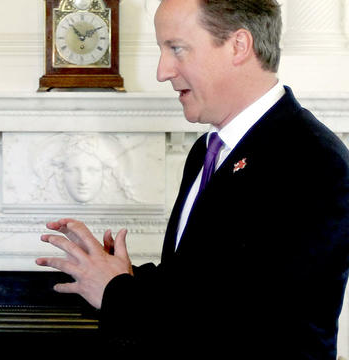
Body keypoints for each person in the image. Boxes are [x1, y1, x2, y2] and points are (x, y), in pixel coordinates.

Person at [37, 0, 349, 358]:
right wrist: (117, 273)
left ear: (238, 46)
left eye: (176, 49)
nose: (162, 71)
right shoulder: (208, 150)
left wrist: (116, 291)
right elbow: (198, 283)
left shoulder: (312, 161)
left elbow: (256, 329)